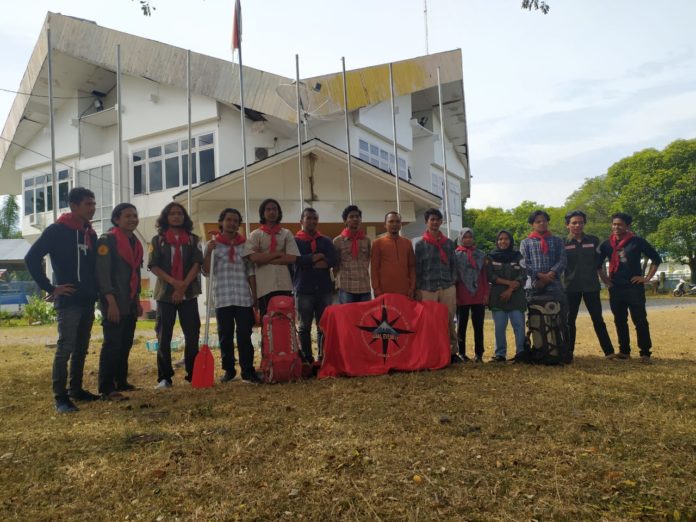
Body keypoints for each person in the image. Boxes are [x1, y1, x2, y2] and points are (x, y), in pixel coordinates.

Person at [25, 187, 100, 413]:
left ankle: (76, 389)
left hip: (87, 299)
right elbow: (31, 258)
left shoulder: (90, 233)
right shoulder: (57, 230)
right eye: (88, 204)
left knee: (81, 348)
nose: (92, 208)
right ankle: (60, 398)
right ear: (74, 205)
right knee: (65, 348)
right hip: (68, 301)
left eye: (94, 204)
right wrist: (50, 287)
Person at [148, 202, 203, 388]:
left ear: (184, 217)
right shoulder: (158, 240)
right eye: (172, 213)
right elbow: (153, 265)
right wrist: (174, 283)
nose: (176, 216)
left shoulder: (193, 240)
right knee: (164, 336)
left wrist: (183, 286)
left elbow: (197, 264)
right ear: (166, 217)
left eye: (180, 213)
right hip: (165, 294)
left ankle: (193, 374)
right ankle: (165, 377)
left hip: (189, 293)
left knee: (192, 334)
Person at [203, 208, 261, 383]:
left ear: (238, 224)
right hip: (223, 297)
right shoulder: (213, 244)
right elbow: (206, 271)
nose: (232, 223)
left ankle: (248, 370)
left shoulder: (245, 245)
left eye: (235, 221)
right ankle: (229, 370)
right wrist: (208, 252)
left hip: (243, 297)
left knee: (244, 335)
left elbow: (250, 271)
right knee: (225, 335)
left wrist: (254, 294)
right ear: (221, 222)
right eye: (228, 220)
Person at [598, 212, 661, 363]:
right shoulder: (607, 244)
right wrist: (606, 281)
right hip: (616, 288)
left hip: (634, 287)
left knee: (640, 320)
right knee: (620, 321)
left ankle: (645, 353)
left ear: (627, 226)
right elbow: (597, 264)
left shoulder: (637, 241)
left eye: (620, 224)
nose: (616, 227)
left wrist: (646, 278)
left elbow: (656, 259)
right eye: (614, 224)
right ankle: (624, 351)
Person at [96, 203, 143, 400]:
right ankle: (106, 388)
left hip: (129, 301)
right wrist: (111, 303)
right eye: (128, 216)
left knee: (125, 343)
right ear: (117, 219)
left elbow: (136, 274)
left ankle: (121, 381)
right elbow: (103, 274)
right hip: (114, 301)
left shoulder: (135, 243)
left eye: (135, 216)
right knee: (112, 345)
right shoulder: (107, 240)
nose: (132, 219)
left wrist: (137, 300)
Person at [563, 210, 615, 358]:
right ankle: (568, 352)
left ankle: (609, 352)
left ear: (584, 223)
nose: (577, 225)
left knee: (598, 319)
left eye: (580, 222)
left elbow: (599, 264)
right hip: (570, 287)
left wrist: (606, 280)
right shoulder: (562, 243)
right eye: (574, 223)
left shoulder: (593, 240)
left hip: (591, 286)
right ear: (568, 225)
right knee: (569, 321)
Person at [519, 210, 569, 359]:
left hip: (555, 286)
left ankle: (562, 351)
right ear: (532, 224)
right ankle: (540, 351)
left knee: (560, 319)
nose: (542, 223)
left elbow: (562, 260)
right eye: (538, 221)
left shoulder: (557, 240)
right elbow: (524, 263)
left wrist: (550, 275)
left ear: (548, 222)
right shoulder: (526, 242)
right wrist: (540, 276)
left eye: (544, 221)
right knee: (535, 319)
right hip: (534, 286)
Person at [414, 208, 460, 363]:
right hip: (428, 288)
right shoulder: (420, 244)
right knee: (429, 322)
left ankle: (452, 353)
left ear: (441, 222)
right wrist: (418, 289)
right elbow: (417, 268)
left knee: (449, 320)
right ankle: (431, 353)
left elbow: (454, 265)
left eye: (437, 220)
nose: (434, 222)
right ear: (426, 222)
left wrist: (452, 282)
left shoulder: (448, 243)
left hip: (447, 287)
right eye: (431, 219)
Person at [294, 207, 337, 362]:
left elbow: (333, 260)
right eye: (309, 218)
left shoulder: (325, 240)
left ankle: (322, 358)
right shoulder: (295, 241)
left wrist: (311, 261)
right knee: (304, 327)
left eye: (315, 219)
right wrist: (317, 256)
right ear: (301, 221)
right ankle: (307, 359)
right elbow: (296, 260)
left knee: (323, 326)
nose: (312, 221)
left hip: (324, 289)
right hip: (303, 289)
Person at [248, 198, 300, 317]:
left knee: (286, 319)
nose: (272, 212)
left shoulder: (286, 233)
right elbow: (254, 258)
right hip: (264, 286)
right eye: (268, 209)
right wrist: (279, 254)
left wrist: (263, 257)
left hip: (284, 284)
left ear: (279, 212)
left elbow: (292, 258)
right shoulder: (255, 234)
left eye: (274, 209)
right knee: (267, 320)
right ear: (263, 213)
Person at [487, 230, 527, 362]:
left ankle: (521, 353)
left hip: (516, 296)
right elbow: (490, 276)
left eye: (506, 239)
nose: (503, 241)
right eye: (500, 239)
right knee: (499, 327)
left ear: (511, 241)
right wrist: (509, 283)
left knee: (519, 325)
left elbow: (523, 275)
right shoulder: (491, 257)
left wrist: (510, 289)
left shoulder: (518, 256)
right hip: (498, 297)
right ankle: (500, 354)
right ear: (497, 241)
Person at [454, 228, 488, 362]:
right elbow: (454, 276)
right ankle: (462, 353)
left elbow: (484, 275)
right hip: (462, 294)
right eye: (465, 237)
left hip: (478, 294)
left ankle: (479, 354)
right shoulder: (455, 255)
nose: (468, 240)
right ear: (460, 238)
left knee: (478, 326)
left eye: (470, 237)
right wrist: (456, 295)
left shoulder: (480, 254)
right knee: (461, 326)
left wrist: (486, 294)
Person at [370, 211, 416, 298]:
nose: (394, 224)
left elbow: (412, 267)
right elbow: (374, 269)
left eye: (397, 221)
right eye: (391, 221)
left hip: (405, 292)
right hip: (384, 292)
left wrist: (412, 287)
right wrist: (376, 289)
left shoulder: (407, 243)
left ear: (400, 224)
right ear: (385, 225)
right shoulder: (377, 243)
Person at [333, 205, 372, 304]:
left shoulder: (367, 240)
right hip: (346, 287)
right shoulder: (337, 241)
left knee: (365, 314)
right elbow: (335, 265)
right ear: (345, 221)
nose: (355, 219)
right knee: (347, 314)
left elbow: (369, 259)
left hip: (364, 287)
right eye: (351, 217)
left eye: (357, 216)